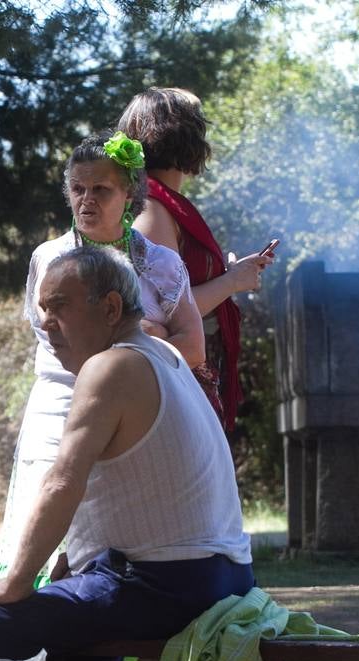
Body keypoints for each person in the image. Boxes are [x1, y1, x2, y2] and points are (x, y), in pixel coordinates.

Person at [0, 245, 252, 661]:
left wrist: (12, 585)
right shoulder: (163, 356)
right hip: (223, 576)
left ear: (111, 307)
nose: (47, 325)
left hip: (171, 582)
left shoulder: (111, 366)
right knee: (86, 596)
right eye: (41, 310)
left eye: (60, 306)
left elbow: (63, 481)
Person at [0, 129, 205, 588]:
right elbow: (57, 341)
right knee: (45, 517)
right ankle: (24, 632)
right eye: (78, 189)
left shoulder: (162, 263)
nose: (87, 200)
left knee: (115, 540)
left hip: (136, 414)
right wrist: (141, 334)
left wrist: (144, 342)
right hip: (60, 406)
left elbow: (193, 348)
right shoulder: (49, 258)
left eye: (101, 189)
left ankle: (105, 641)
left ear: (129, 193)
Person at [118, 87, 276, 432]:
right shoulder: (153, 210)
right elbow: (163, 313)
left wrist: (234, 274)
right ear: (184, 134)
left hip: (190, 372)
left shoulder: (165, 204)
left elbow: (181, 292)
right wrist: (232, 281)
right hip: (176, 379)